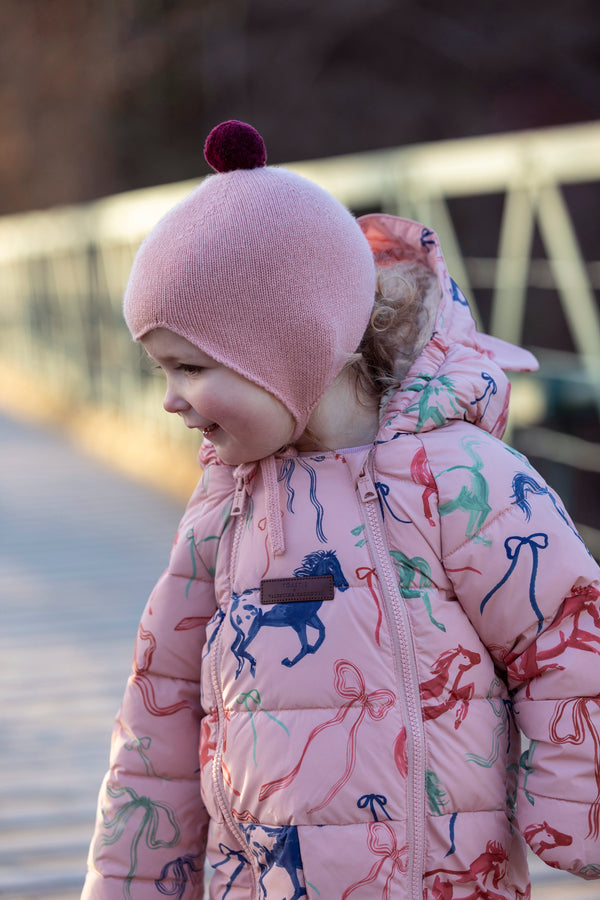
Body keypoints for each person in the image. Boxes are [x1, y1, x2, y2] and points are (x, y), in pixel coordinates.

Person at [81, 120, 600, 900]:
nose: (170, 399)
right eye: (162, 369)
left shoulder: (457, 479)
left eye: (189, 367)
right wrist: (132, 882)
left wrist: (576, 808)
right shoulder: (225, 507)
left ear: (295, 351)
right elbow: (158, 715)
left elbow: (569, 632)